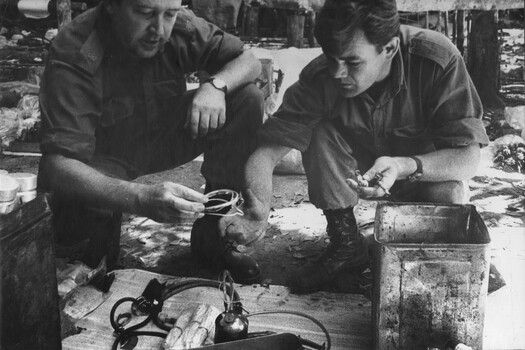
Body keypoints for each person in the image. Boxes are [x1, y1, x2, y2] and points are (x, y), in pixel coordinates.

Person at [218, 0, 490, 293]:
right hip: (357, 173)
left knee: (446, 194)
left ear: (389, 48)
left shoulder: (437, 61)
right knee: (318, 130)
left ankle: (422, 250)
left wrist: (403, 166)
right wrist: (258, 210)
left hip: (421, 174)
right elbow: (267, 154)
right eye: (331, 58)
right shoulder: (322, 75)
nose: (337, 72)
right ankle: (346, 244)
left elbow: (467, 157)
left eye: (352, 62)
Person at [37, 0, 264, 283]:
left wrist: (216, 86)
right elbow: (57, 167)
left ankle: (214, 236)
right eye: (145, 14)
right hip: (102, 157)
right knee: (85, 261)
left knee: (247, 99)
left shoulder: (178, 23)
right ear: (111, 7)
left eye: (169, 14)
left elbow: (249, 61)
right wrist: (139, 197)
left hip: (164, 137)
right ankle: (94, 249)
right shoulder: (75, 49)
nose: (159, 29)